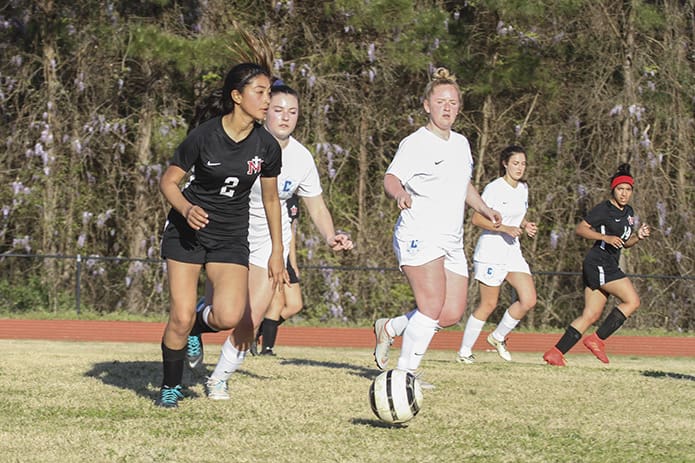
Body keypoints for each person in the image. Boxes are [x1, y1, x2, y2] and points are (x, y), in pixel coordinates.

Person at [190, 82, 353, 400]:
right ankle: (195, 323)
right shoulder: (239, 143)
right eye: (278, 110)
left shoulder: (303, 158)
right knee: (224, 315)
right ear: (264, 111)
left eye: (292, 112)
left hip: (270, 244)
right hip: (229, 236)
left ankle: (218, 379)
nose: (285, 117)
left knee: (250, 319)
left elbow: (316, 205)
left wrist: (331, 235)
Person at [156, 62, 286, 408]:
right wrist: (186, 209)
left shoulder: (267, 146)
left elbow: (272, 199)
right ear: (236, 96)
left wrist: (277, 250)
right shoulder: (204, 136)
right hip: (187, 232)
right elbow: (168, 182)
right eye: (260, 93)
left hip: (230, 236)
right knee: (179, 316)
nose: (267, 100)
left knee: (229, 316)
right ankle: (170, 386)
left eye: (268, 92)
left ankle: (197, 328)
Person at [375, 67, 501, 379]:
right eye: (441, 101)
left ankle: (390, 327)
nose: (448, 107)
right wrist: (399, 193)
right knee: (430, 306)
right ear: (427, 105)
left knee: (448, 314)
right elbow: (391, 177)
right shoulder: (415, 143)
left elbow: (463, 184)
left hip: (451, 239)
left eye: (454, 102)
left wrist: (485, 208)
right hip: (418, 232)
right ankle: (404, 377)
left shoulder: (461, 144)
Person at [543, 163, 650, 366]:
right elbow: (580, 228)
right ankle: (596, 340)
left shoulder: (629, 212)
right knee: (632, 301)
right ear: (613, 189)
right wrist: (605, 237)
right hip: (599, 262)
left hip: (606, 263)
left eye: (628, 190)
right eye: (620, 189)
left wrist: (638, 236)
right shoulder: (604, 209)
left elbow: (625, 243)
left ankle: (555, 353)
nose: (624, 193)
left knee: (591, 314)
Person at [456, 145, 537, 364]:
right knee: (488, 305)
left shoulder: (523, 189)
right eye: (515, 163)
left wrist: (525, 224)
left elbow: (516, 216)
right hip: (491, 251)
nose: (520, 168)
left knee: (529, 299)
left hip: (512, 251)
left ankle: (498, 336)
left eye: (523, 164)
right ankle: (464, 352)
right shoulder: (494, 188)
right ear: (505, 164)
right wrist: (505, 229)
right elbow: (477, 219)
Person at [252, 193, 304, 356]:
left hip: (286, 256)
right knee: (277, 302)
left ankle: (258, 330)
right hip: (270, 253)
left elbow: (291, 232)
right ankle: (266, 348)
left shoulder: (294, 199)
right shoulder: (272, 193)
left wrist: (293, 262)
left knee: (295, 304)